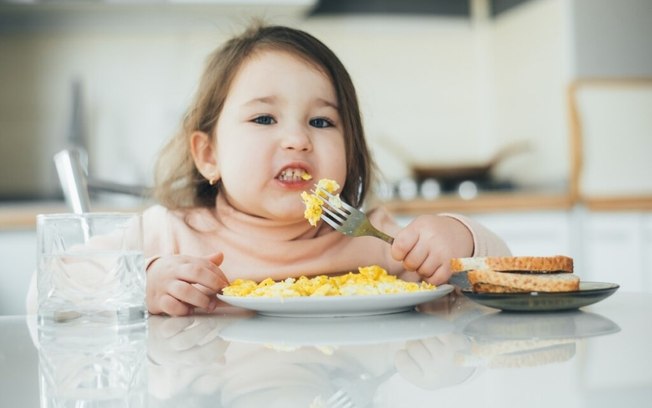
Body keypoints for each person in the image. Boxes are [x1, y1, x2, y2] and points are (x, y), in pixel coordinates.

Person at [27, 22, 510, 317]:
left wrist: (460, 240)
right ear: (208, 155)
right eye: (263, 119)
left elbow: (497, 279)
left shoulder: (379, 240)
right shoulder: (167, 236)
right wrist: (139, 282)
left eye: (321, 121)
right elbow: (49, 286)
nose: (298, 138)